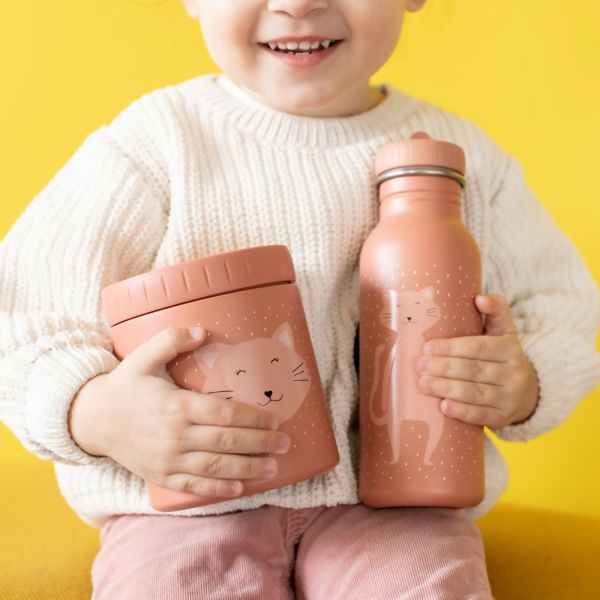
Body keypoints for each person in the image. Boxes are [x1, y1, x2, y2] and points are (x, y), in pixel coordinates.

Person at [1, 0, 599, 598]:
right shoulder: (156, 143)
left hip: (403, 513)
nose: (297, 3)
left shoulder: (467, 160)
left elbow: (562, 308)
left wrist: (522, 382)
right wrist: (94, 412)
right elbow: (23, 310)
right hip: (183, 513)